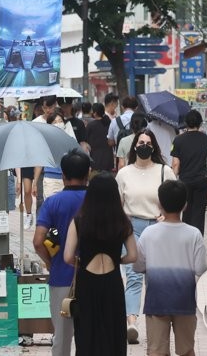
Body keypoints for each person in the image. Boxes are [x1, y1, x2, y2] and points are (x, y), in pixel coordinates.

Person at [64, 173, 137, 356]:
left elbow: (67, 256)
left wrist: (80, 262)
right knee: (113, 332)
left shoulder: (79, 221)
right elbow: (133, 255)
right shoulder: (123, 221)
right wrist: (119, 259)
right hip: (112, 281)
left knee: (87, 332)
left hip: (87, 281)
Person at [133, 180, 206, 356]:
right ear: (185, 205)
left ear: (159, 204)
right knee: (187, 350)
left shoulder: (149, 234)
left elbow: (137, 266)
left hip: (157, 300)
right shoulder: (194, 234)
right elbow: (201, 269)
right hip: (185, 301)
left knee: (156, 351)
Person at [32, 151, 91, 356]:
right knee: (91, 336)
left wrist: (50, 262)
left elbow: (38, 241)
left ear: (63, 175)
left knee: (62, 338)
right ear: (88, 174)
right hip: (94, 277)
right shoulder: (96, 201)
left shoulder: (53, 203)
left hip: (61, 278)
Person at [116, 129, 171, 344]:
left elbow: (177, 200)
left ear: (154, 146)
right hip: (131, 229)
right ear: (134, 146)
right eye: (140, 142)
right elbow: (117, 205)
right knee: (133, 277)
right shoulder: (124, 173)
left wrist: (167, 217)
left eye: (148, 142)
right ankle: (132, 322)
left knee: (155, 279)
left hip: (158, 229)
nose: (144, 145)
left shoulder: (164, 171)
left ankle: (156, 325)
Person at [170, 109, 207, 234]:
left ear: (186, 123)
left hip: (185, 181)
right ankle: (197, 238)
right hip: (202, 180)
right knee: (199, 212)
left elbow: (175, 164)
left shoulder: (178, 140)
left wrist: (173, 180)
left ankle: (186, 238)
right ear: (200, 123)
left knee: (186, 210)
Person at [85, 101, 115, 173]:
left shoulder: (90, 125)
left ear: (95, 113)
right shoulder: (109, 123)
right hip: (108, 159)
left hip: (95, 159)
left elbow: (86, 141)